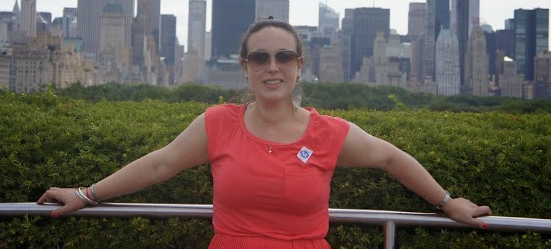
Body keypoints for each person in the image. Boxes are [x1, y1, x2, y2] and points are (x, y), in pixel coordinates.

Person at [38, 18, 491, 248]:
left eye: (283, 57)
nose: (272, 67)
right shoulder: (219, 123)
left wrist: (448, 203)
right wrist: (86, 193)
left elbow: (393, 158)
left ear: (299, 65)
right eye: (259, 58)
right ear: (245, 67)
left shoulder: (329, 133)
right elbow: (161, 163)